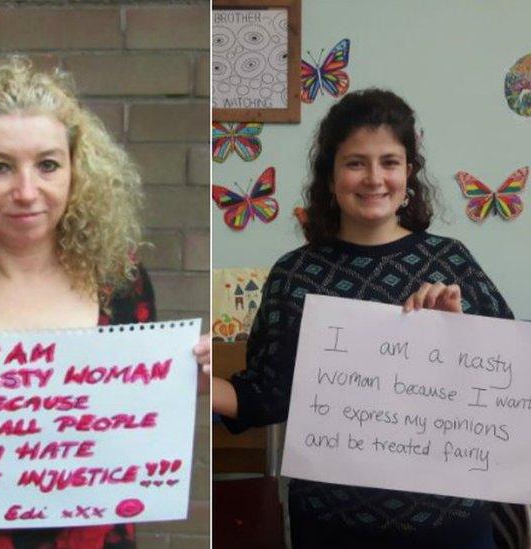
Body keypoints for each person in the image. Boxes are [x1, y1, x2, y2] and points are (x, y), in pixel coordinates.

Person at [0, 57, 209, 549]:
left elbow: (132, 420)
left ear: (76, 171)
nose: (25, 191)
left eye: (47, 164)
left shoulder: (120, 283)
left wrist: (189, 379)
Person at [212, 88, 516, 549]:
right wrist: (194, 380)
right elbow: (264, 397)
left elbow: (510, 384)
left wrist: (460, 330)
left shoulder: (451, 262)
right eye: (355, 162)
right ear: (330, 176)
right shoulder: (294, 274)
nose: (374, 178)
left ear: (408, 173)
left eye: (389, 162)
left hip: (450, 525)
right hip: (331, 528)